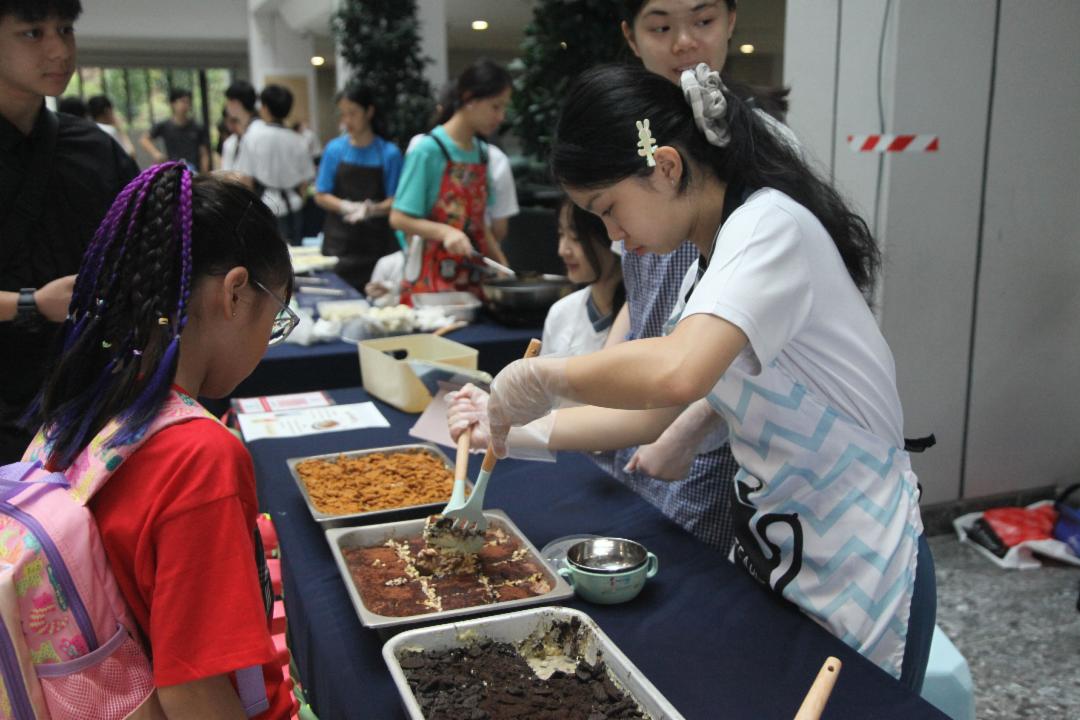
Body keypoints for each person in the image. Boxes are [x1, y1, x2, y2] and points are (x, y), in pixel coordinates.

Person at [479, 62, 935, 689]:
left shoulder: (768, 228)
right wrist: (512, 432)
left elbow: (676, 373)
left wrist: (543, 378)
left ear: (666, 167)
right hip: (782, 546)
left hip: (859, 554)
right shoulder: (708, 265)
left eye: (609, 210)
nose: (614, 237)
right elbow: (648, 416)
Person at [25, 164, 297, 717]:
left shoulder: (78, 410)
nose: (269, 341)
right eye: (277, 319)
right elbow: (195, 692)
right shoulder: (198, 457)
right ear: (235, 293)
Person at [0, 0, 138, 463]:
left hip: (90, 404)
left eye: (65, 29)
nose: (59, 50)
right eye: (32, 33)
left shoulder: (95, 149)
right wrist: (30, 304)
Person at [390, 58, 512, 301]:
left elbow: (479, 225)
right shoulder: (427, 150)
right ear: (469, 99)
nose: (501, 117)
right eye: (495, 107)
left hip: (474, 282)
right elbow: (399, 218)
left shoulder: (483, 154)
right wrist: (445, 232)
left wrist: (503, 268)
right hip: (431, 287)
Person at [314, 84, 403, 290]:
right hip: (339, 244)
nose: (346, 121)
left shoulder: (389, 153)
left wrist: (370, 209)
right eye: (343, 114)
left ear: (369, 112)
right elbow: (321, 194)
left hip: (376, 246)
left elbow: (397, 201)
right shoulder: (334, 149)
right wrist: (346, 206)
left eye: (352, 113)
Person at [234, 83, 314, 245]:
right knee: (294, 254)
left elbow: (245, 179)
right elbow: (305, 183)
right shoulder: (299, 140)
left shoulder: (252, 137)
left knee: (265, 253)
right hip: (293, 207)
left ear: (264, 107)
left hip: (264, 206)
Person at [140, 88, 210, 172]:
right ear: (173, 103)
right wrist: (156, 153)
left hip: (193, 170)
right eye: (182, 101)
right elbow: (144, 139)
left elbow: (204, 153)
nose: (185, 105)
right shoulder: (164, 125)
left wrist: (204, 174)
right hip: (173, 169)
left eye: (187, 102)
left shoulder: (197, 127)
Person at [221, 79, 258, 172]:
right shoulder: (234, 140)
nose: (226, 106)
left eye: (228, 101)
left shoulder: (256, 133)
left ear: (236, 103)